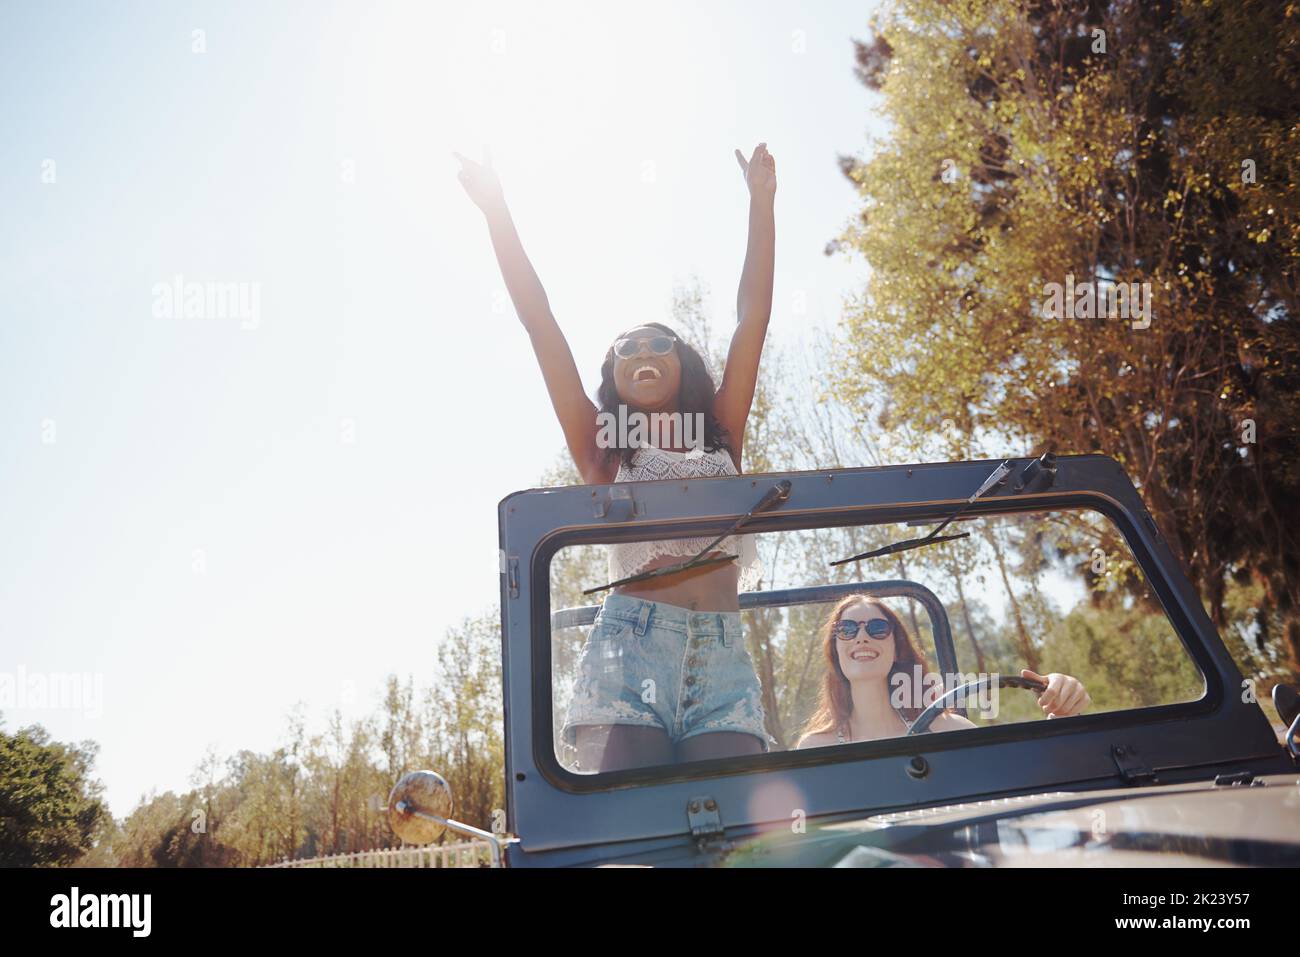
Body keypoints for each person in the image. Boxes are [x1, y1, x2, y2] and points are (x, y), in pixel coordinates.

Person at [454, 142, 779, 771]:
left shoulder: (719, 432)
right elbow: (541, 326)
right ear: (614, 374)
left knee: (736, 826)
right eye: (625, 347)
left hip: (722, 653)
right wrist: (497, 213)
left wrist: (760, 204)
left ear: (682, 363)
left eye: (659, 341)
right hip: (629, 651)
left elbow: (752, 319)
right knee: (630, 835)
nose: (642, 350)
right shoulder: (604, 450)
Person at [796, 595, 1091, 748]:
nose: (862, 637)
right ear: (835, 649)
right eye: (846, 629)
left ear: (897, 648)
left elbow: (1021, 786)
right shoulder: (814, 747)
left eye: (877, 628)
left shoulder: (950, 731)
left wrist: (1062, 720)